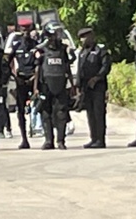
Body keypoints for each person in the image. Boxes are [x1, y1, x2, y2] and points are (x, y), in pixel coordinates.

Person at [33, 22, 73, 150]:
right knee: (46, 113)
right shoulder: (42, 50)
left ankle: (60, 141)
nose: (57, 37)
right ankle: (48, 140)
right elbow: (37, 69)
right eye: (55, 34)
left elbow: (67, 67)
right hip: (45, 85)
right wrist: (35, 87)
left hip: (60, 85)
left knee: (61, 113)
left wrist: (72, 85)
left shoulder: (63, 49)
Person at [76, 28, 111, 149]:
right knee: (90, 113)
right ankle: (93, 138)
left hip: (98, 86)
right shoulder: (82, 52)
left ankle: (100, 140)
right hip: (86, 87)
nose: (82, 40)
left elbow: (106, 66)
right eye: (81, 37)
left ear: (91, 36)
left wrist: (96, 78)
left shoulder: (100, 50)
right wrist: (78, 86)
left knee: (98, 113)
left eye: (84, 37)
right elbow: (80, 69)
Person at [8, 18, 38, 149]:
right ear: (20, 29)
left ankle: (47, 137)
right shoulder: (16, 45)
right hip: (21, 80)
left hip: (34, 80)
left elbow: (40, 63)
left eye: (28, 28)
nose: (25, 31)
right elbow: (7, 62)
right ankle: (24, 139)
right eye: (23, 28)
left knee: (43, 107)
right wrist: (14, 76)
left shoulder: (36, 45)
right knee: (20, 111)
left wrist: (35, 77)